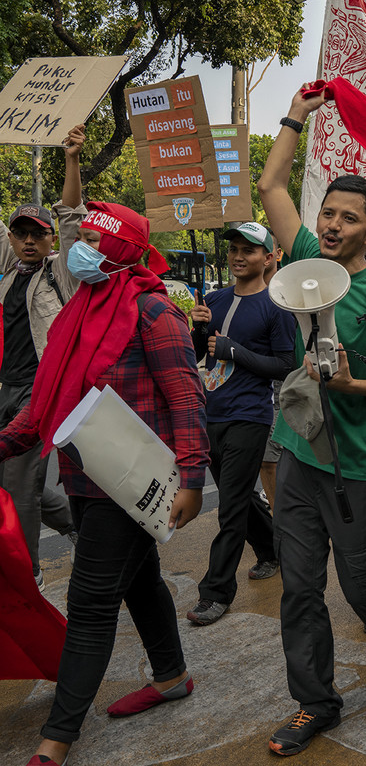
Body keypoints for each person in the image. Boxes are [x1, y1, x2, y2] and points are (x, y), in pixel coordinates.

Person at [3, 202, 208, 766]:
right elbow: (46, 405)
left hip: (133, 484)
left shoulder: (153, 312)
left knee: (91, 602)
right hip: (83, 480)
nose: (81, 249)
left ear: (120, 249)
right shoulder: (78, 312)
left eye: (93, 238)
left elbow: (186, 398)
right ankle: (170, 677)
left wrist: (191, 478)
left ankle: (57, 736)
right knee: (140, 581)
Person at [257, 85, 366, 756]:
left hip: (358, 464)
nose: (330, 227)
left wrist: (355, 382)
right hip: (301, 453)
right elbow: (271, 183)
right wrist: (297, 115)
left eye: (347, 219)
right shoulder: (303, 259)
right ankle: (315, 703)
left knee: (363, 587)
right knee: (299, 587)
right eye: (327, 214)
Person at [186, 222, 295, 626]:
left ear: (269, 257)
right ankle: (271, 550)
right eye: (233, 248)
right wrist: (198, 330)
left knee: (229, 508)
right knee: (240, 498)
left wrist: (237, 351)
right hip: (210, 412)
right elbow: (201, 354)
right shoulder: (213, 298)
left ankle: (215, 591)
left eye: (248, 250)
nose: (237, 256)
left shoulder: (276, 306)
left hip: (250, 415)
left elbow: (285, 365)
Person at [0, 124, 88, 588]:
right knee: (13, 479)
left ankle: (24, 576)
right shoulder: (7, 269)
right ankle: (73, 524)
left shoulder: (63, 274)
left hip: (41, 391)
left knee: (17, 485)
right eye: (21, 233)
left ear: (50, 239)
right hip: (5, 386)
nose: (29, 240)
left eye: (38, 233)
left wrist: (71, 158)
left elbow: (72, 217)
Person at [258, 244, 286, 511]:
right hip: (255, 393)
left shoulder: (290, 288)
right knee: (267, 460)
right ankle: (278, 523)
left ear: (276, 254)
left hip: (287, 388)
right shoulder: (230, 297)